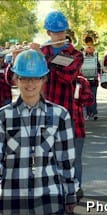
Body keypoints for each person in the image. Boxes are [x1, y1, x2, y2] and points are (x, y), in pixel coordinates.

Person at [0, 49, 78, 214]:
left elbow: (65, 160)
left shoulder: (60, 115)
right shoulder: (3, 116)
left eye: (36, 78)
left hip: (49, 198)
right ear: (15, 79)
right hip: (13, 200)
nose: (30, 84)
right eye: (24, 78)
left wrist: (70, 193)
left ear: (44, 79)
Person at [30, 10, 86, 200]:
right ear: (48, 33)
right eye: (56, 32)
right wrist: (23, 57)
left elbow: (67, 76)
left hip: (68, 114)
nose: (60, 36)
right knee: (45, 157)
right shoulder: (40, 52)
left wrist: (43, 59)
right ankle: (50, 192)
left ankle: (74, 191)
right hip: (43, 114)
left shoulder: (76, 54)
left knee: (72, 157)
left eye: (62, 32)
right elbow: (19, 78)